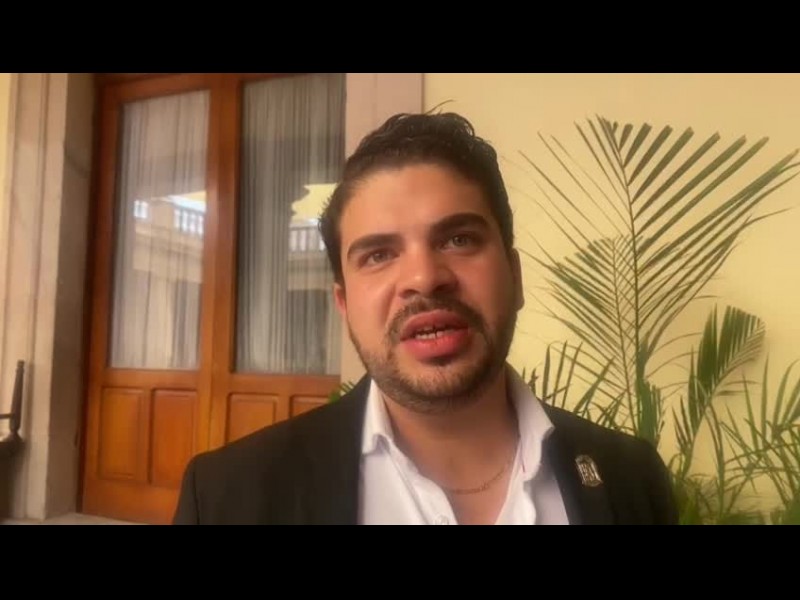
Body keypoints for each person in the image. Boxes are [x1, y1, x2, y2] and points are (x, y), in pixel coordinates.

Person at [172, 111, 679, 525]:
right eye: (378, 255)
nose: (424, 277)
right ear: (344, 304)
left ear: (515, 276)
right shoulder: (224, 497)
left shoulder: (633, 478)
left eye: (459, 239)